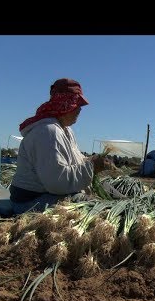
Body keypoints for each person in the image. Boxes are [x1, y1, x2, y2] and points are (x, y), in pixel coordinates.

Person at [10, 78, 110, 214]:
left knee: (102, 201)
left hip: (49, 195)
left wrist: (92, 160)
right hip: (31, 202)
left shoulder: (66, 130)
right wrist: (91, 167)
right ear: (64, 103)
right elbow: (57, 183)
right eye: (76, 103)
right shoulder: (48, 131)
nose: (80, 109)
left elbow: (75, 159)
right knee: (95, 209)